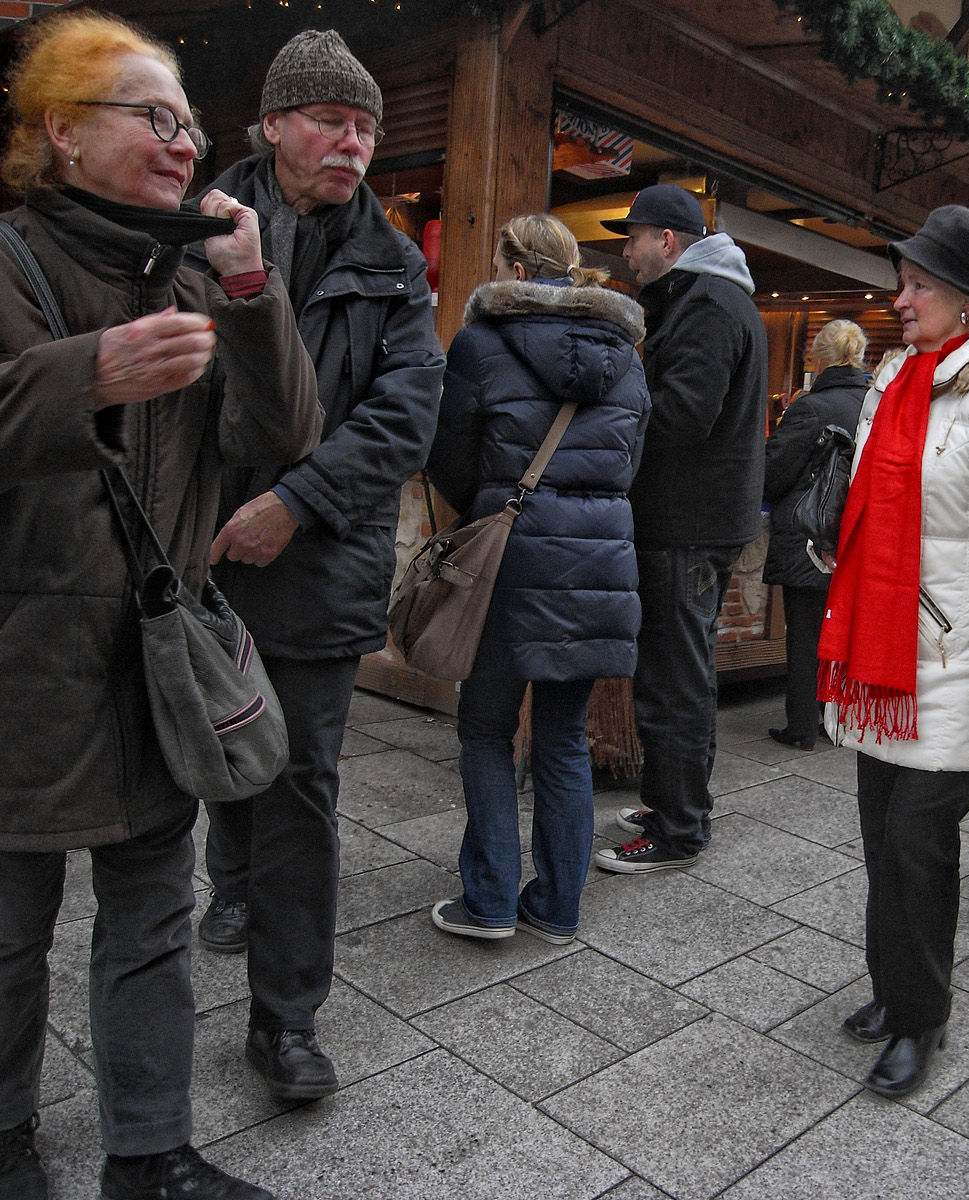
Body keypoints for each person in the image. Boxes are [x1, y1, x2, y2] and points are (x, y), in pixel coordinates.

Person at [0, 13, 321, 1199]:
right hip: (21, 662)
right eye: (152, 115)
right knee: (8, 932)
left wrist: (249, 287)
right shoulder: (9, 258)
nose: (182, 142)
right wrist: (78, 376)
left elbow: (287, 435)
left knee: (149, 923)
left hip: (158, 662)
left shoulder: (192, 268)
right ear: (62, 132)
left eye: (188, 121)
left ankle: (150, 1154)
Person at [192, 29, 446, 1101]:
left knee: (301, 784)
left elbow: (407, 411)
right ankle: (230, 878)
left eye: (366, 126)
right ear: (275, 125)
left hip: (318, 558)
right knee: (211, 745)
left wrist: (295, 502)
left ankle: (286, 1022)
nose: (352, 142)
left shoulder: (392, 263)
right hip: (195, 551)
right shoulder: (189, 230)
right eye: (331, 120)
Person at [821, 205, 969, 1097]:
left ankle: (922, 1018)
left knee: (919, 842)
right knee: (882, 841)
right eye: (905, 279)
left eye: (920, 284)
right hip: (886, 656)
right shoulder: (900, 381)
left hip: (960, 664)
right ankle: (893, 990)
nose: (902, 296)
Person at [425, 215, 649, 942]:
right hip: (598, 565)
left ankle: (488, 901)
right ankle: (556, 906)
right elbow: (629, 466)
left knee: (486, 731)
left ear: (512, 268)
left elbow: (448, 455)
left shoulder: (481, 341)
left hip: (508, 563)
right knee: (561, 740)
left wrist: (489, 506)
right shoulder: (627, 353)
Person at [592, 185, 767, 873]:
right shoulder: (709, 301)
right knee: (680, 673)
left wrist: (612, 416)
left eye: (633, 236)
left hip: (687, 521)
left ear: (668, 240)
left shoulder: (708, 305)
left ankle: (678, 829)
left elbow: (682, 417)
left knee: (674, 680)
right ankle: (676, 798)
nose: (627, 249)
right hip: (696, 518)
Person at [762, 318, 870, 750]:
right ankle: (836, 719)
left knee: (805, 631)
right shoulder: (873, 403)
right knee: (843, 630)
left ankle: (802, 726)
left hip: (810, 534)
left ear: (820, 359)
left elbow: (774, 470)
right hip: (855, 533)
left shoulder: (811, 407)